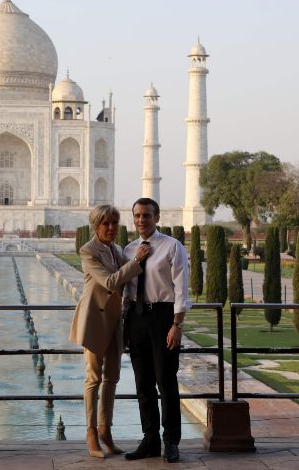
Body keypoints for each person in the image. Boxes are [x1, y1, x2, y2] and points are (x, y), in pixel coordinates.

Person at [69, 204, 151, 458]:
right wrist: (137, 260)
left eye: (114, 223)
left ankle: (106, 430)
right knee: (93, 378)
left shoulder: (116, 250)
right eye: (106, 224)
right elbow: (110, 282)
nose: (111, 228)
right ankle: (91, 432)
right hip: (94, 320)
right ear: (96, 225)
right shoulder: (88, 251)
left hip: (115, 321)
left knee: (112, 379)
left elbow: (125, 287)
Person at [122, 197, 190, 463]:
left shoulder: (172, 247)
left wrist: (177, 324)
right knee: (143, 383)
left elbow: (182, 289)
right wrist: (125, 323)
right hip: (137, 317)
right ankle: (149, 439)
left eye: (147, 216)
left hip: (163, 317)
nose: (141, 220)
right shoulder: (129, 250)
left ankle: (171, 440)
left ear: (157, 218)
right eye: (137, 215)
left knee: (166, 380)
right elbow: (127, 290)